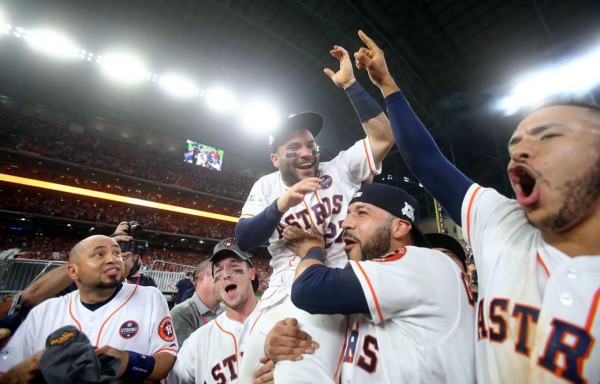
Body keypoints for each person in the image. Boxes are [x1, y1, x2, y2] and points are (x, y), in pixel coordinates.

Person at [355, 30, 600, 383]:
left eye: (548, 136)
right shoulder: (500, 221)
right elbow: (427, 162)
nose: (520, 151)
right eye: (514, 145)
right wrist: (387, 85)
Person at [235, 43, 395, 382]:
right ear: (276, 159)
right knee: (250, 376)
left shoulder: (339, 168)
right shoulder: (266, 187)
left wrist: (351, 86)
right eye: (294, 148)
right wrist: (282, 204)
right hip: (278, 293)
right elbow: (245, 239)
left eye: (310, 144)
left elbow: (383, 136)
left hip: (331, 284)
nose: (306, 152)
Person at [263, 183, 475, 383]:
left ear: (400, 227)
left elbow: (308, 288)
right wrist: (282, 345)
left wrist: (312, 250)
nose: (345, 222)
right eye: (347, 213)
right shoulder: (370, 298)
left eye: (361, 213)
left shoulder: (428, 262)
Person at [0, 235, 178, 382]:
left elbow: (166, 357)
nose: (113, 259)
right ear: (73, 272)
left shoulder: (150, 297)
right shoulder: (45, 311)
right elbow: (7, 370)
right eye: (99, 254)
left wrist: (127, 362)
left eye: (117, 253)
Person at [168, 238, 261, 383]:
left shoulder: (280, 320)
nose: (225, 274)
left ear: (252, 274)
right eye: (218, 270)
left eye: (233, 266)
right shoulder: (196, 342)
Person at [170, 260, 223, 345]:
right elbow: (185, 357)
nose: (226, 281)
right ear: (202, 278)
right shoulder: (181, 313)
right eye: (219, 275)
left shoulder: (228, 311)